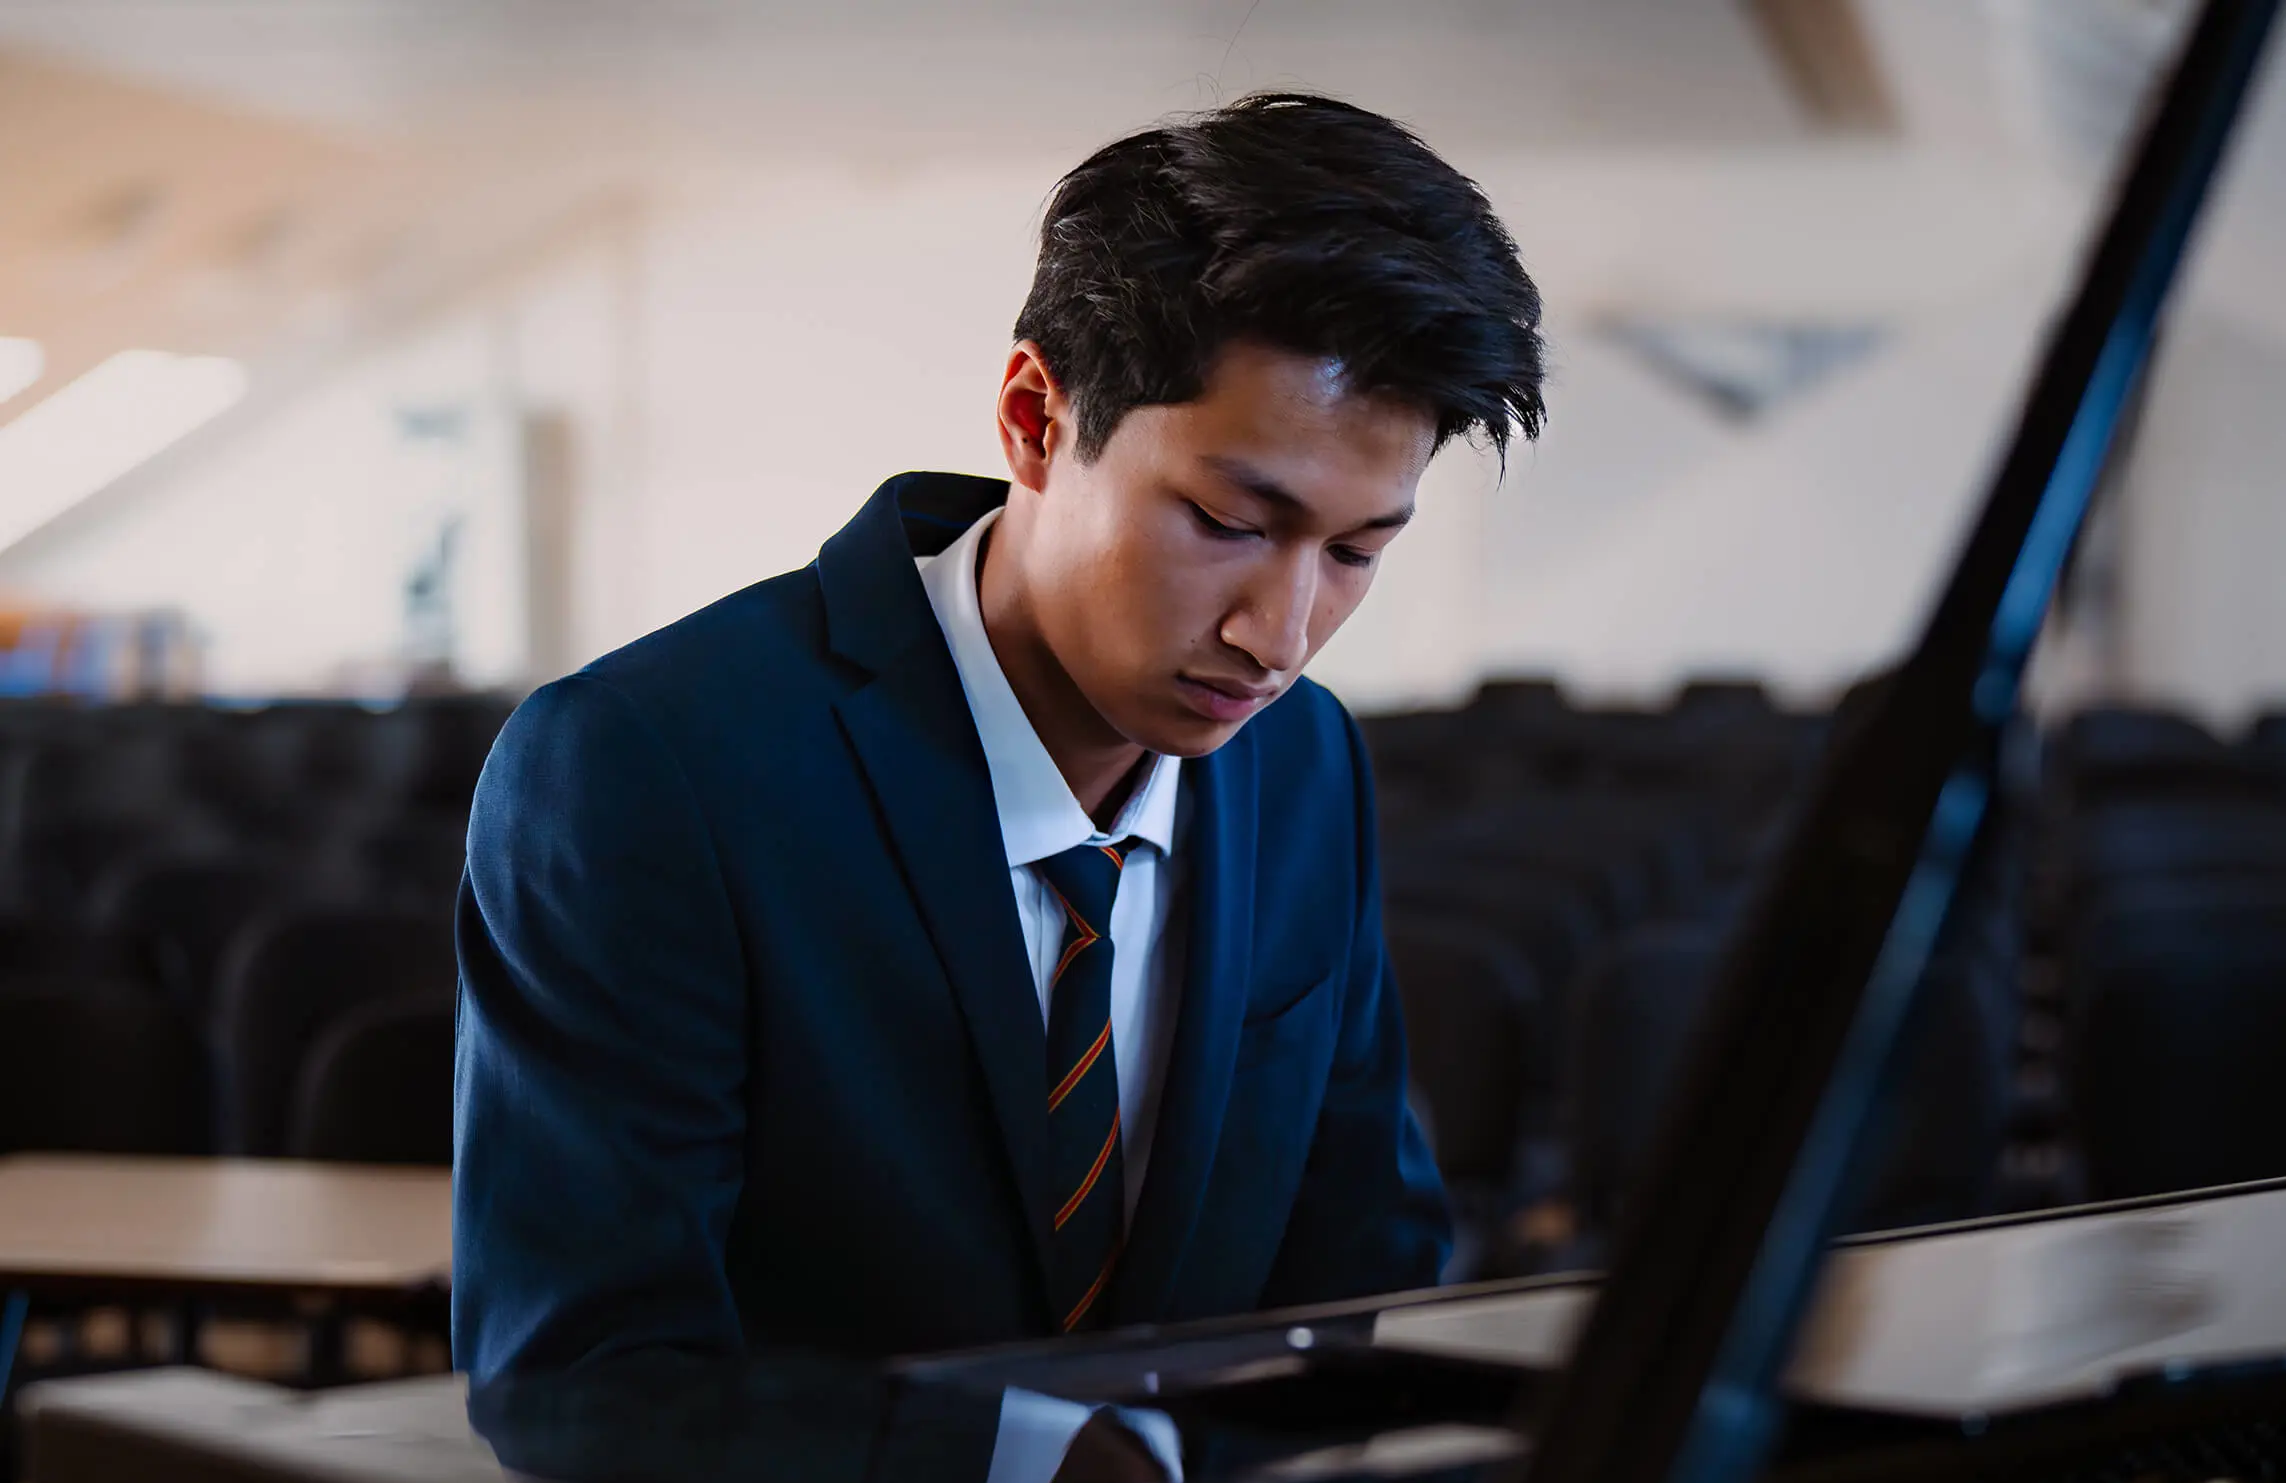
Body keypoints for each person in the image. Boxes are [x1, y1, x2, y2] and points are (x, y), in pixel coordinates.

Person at [452, 92, 1546, 1391]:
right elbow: (591, 1382)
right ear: (1034, 419)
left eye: (1358, 550)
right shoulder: (648, 768)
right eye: (1229, 523)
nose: (1282, 634)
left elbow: (1361, 1264)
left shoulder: (1305, 761)